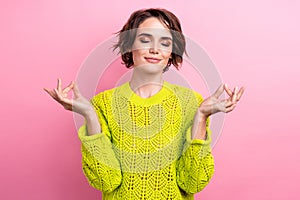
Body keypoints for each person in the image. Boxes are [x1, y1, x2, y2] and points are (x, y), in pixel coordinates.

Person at [44, 8, 244, 200]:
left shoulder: (192, 103)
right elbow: (106, 181)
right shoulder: (102, 104)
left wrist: (201, 117)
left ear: (171, 52)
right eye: (145, 39)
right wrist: (89, 114)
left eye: (165, 42)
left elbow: (193, 182)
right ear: (129, 46)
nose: (155, 49)